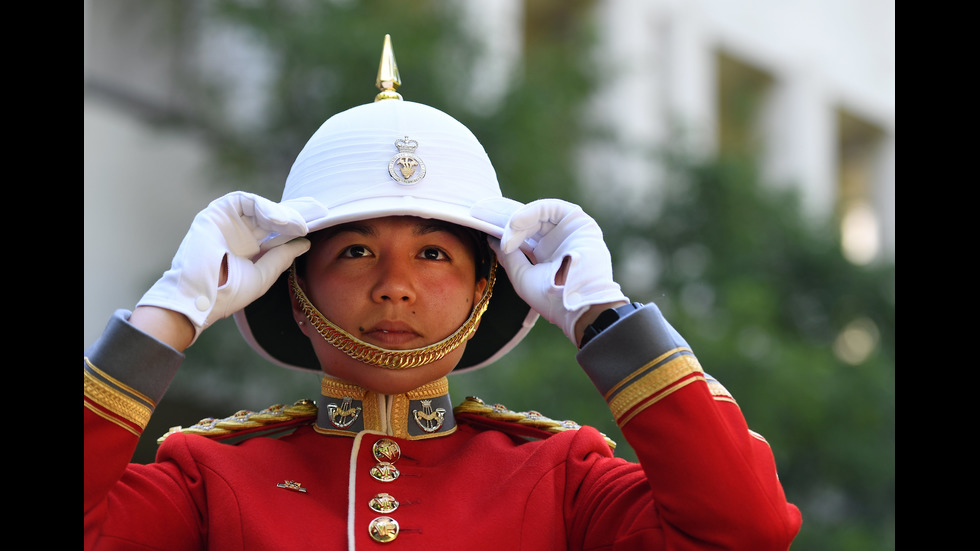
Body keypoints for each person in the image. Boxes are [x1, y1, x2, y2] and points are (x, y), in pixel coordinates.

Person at [84, 35, 801, 549]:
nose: (395, 287)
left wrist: (601, 313)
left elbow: (744, 529)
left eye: (433, 253)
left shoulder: (561, 478)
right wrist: (171, 311)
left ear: (487, 285)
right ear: (293, 284)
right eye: (357, 250)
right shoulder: (213, 478)